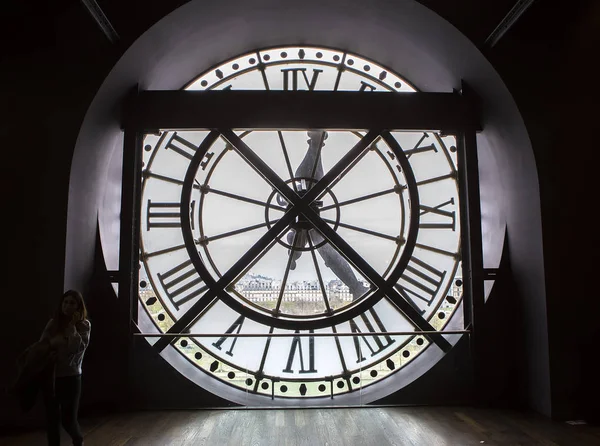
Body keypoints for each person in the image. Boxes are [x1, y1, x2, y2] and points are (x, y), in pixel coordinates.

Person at [40, 290, 91, 446]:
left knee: (67, 419)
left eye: (71, 303)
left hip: (67, 377)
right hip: (63, 376)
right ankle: (77, 441)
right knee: (53, 420)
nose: (67, 306)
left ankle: (78, 440)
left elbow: (76, 349)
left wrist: (70, 327)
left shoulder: (82, 325)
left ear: (78, 307)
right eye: (65, 302)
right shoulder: (58, 324)